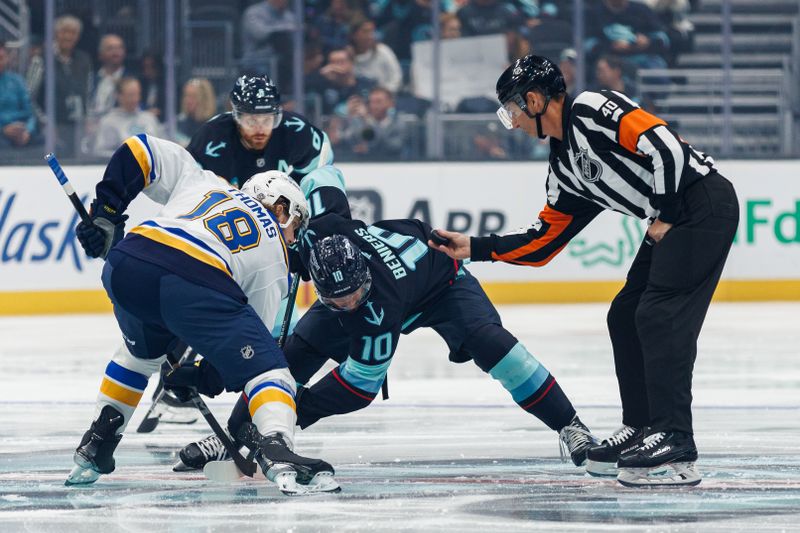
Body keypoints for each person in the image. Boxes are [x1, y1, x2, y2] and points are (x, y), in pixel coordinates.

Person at [429, 55, 739, 487]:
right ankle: (643, 426)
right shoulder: (564, 168)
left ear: (535, 100)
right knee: (625, 315)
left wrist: (665, 211)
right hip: (671, 217)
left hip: (702, 205)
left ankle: (676, 440)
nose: (513, 123)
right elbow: (543, 242)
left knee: (658, 315)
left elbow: (663, 144)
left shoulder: (592, 108)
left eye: (512, 111)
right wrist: (476, 248)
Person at [174, 165, 597, 472]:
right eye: (335, 300)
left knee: (493, 343)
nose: (346, 306)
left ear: (363, 276)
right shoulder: (323, 232)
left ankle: (570, 425)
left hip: (442, 286)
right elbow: (325, 175)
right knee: (291, 357)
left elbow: (359, 388)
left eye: (353, 295)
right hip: (369, 279)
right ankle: (235, 434)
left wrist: (290, 411)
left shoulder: (374, 311)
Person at [66, 134, 338, 495]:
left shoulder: (207, 181)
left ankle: (99, 438)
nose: (293, 236)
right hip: (194, 277)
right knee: (272, 369)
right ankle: (277, 447)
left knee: (139, 354)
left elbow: (140, 149)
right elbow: (247, 354)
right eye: (295, 223)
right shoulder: (276, 253)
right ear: (283, 208)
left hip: (129, 262)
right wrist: (202, 376)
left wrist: (106, 212)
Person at [187, 74, 334, 188]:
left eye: (267, 121)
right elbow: (188, 176)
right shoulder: (212, 135)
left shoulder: (296, 129)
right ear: (236, 117)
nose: (260, 130)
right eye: (251, 121)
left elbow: (322, 160)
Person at [93, 77, 162, 157]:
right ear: (119, 96)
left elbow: (163, 147)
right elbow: (100, 153)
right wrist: (124, 156)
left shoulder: (149, 119)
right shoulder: (109, 122)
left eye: (137, 94)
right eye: (131, 95)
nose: (135, 99)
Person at [0, 40, 37, 148]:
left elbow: (30, 113)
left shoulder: (17, 81)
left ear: (7, 58)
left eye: (1, 58)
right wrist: (3, 129)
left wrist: (28, 131)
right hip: (2, 133)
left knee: (54, 148)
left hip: (22, 131)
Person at [175, 77, 217, 146]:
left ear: (205, 99)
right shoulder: (179, 123)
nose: (188, 101)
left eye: (193, 96)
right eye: (186, 96)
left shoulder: (214, 127)